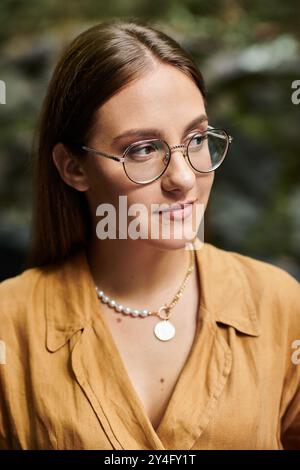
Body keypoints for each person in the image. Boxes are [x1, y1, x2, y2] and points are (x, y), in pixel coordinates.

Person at [0, 19, 299, 451]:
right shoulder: (11, 325)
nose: (183, 178)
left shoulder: (279, 305)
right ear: (73, 167)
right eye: (142, 149)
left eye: (196, 139)